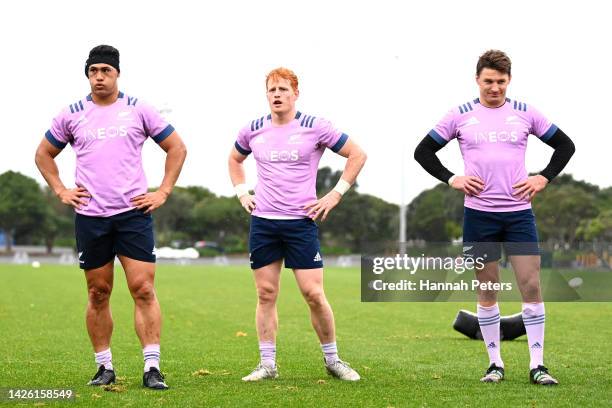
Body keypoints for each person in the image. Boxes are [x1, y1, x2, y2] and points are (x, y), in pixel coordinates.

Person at [414, 50, 575, 385]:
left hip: (519, 216)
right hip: (478, 217)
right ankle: (495, 365)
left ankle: (537, 366)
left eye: (501, 82)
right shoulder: (459, 116)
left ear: (509, 81)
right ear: (477, 79)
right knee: (487, 290)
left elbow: (565, 146)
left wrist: (542, 177)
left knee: (531, 286)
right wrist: (451, 178)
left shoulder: (525, 113)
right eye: (489, 81)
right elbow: (423, 151)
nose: (495, 88)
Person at [34, 45, 187, 390]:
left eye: (106, 70)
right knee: (98, 292)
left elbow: (177, 147)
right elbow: (43, 154)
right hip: (91, 217)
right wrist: (61, 190)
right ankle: (104, 367)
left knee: (143, 288)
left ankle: (152, 367)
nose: (99, 77)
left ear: (118, 73)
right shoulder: (71, 114)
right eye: (93, 71)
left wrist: (162, 191)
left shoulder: (139, 110)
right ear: (87, 75)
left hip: (133, 214)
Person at [228, 67, 367, 381]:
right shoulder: (253, 129)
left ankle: (333, 361)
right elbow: (234, 159)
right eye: (272, 90)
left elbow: (357, 154)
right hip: (263, 223)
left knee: (313, 294)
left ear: (295, 94)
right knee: (265, 294)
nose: (276, 95)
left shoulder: (315, 127)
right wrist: (241, 192)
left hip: (300, 223)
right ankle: (267, 365)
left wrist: (334, 195)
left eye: (283, 90)